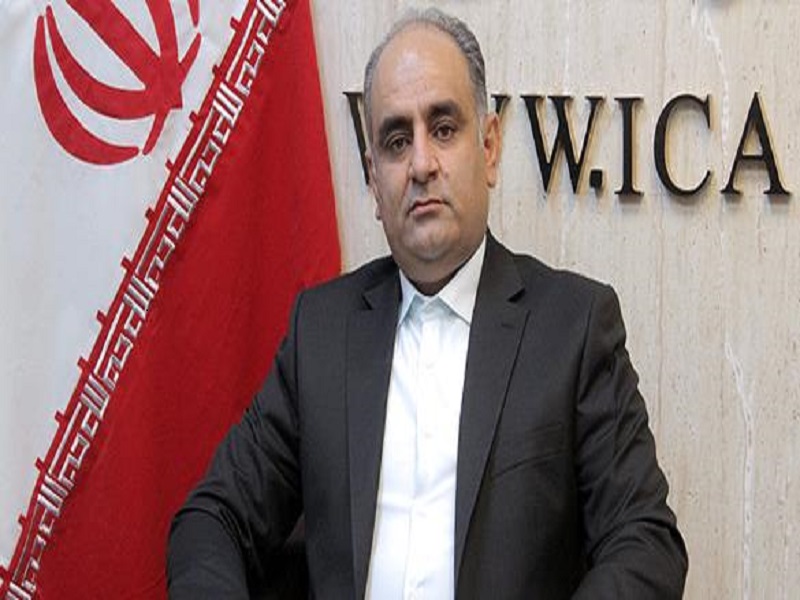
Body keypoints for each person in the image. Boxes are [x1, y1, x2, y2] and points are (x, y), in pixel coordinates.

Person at [167, 8, 688, 599]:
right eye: (396, 141)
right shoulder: (322, 333)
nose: (421, 164)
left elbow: (646, 544)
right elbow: (212, 518)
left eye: (443, 129)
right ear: (373, 179)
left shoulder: (573, 327)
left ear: (489, 147)